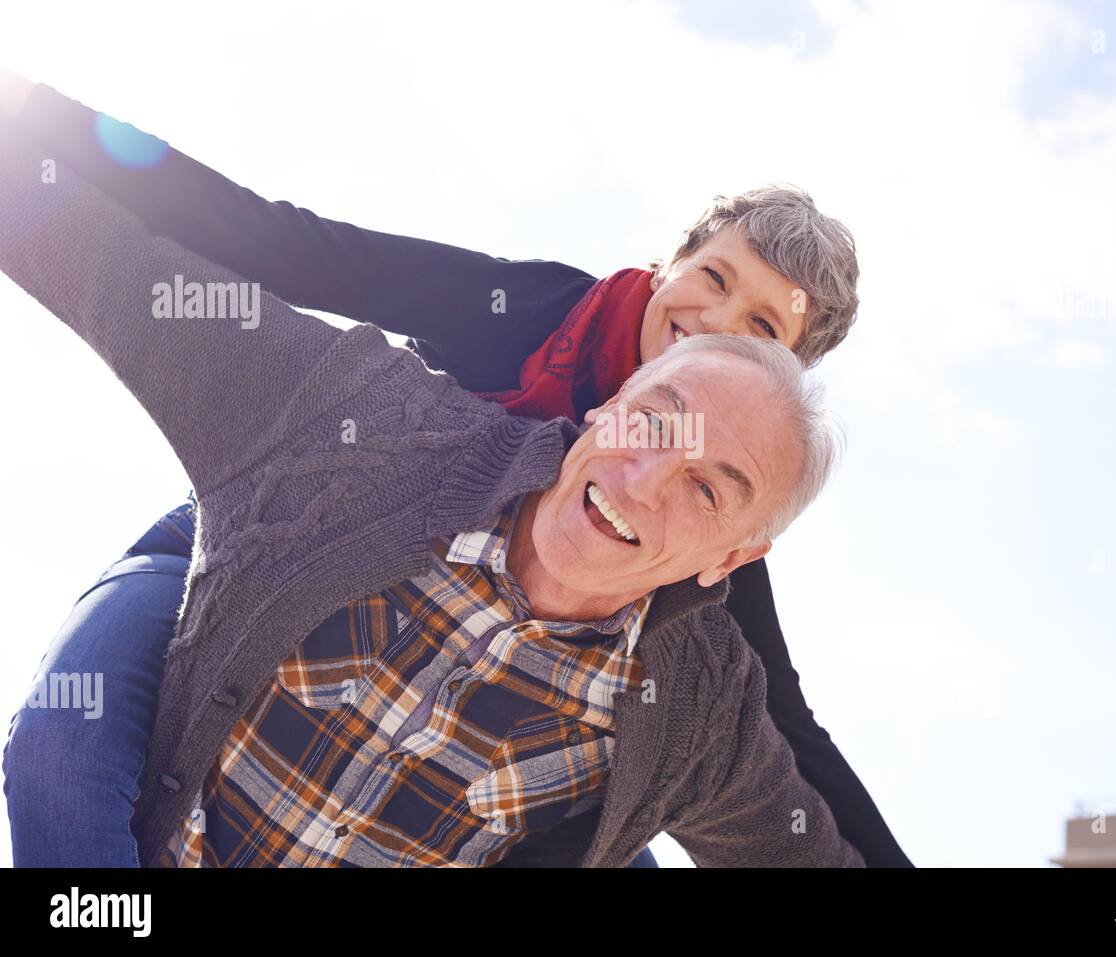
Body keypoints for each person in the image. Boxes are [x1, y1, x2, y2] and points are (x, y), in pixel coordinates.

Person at [0, 69, 911, 867]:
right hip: (263, 545)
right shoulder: (514, 312)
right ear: (669, 262)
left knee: (615, 832)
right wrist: (35, 122)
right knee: (59, 748)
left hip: (486, 732)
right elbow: (285, 247)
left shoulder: (701, 544)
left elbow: (789, 744)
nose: (714, 322)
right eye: (713, 277)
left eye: (760, 326)